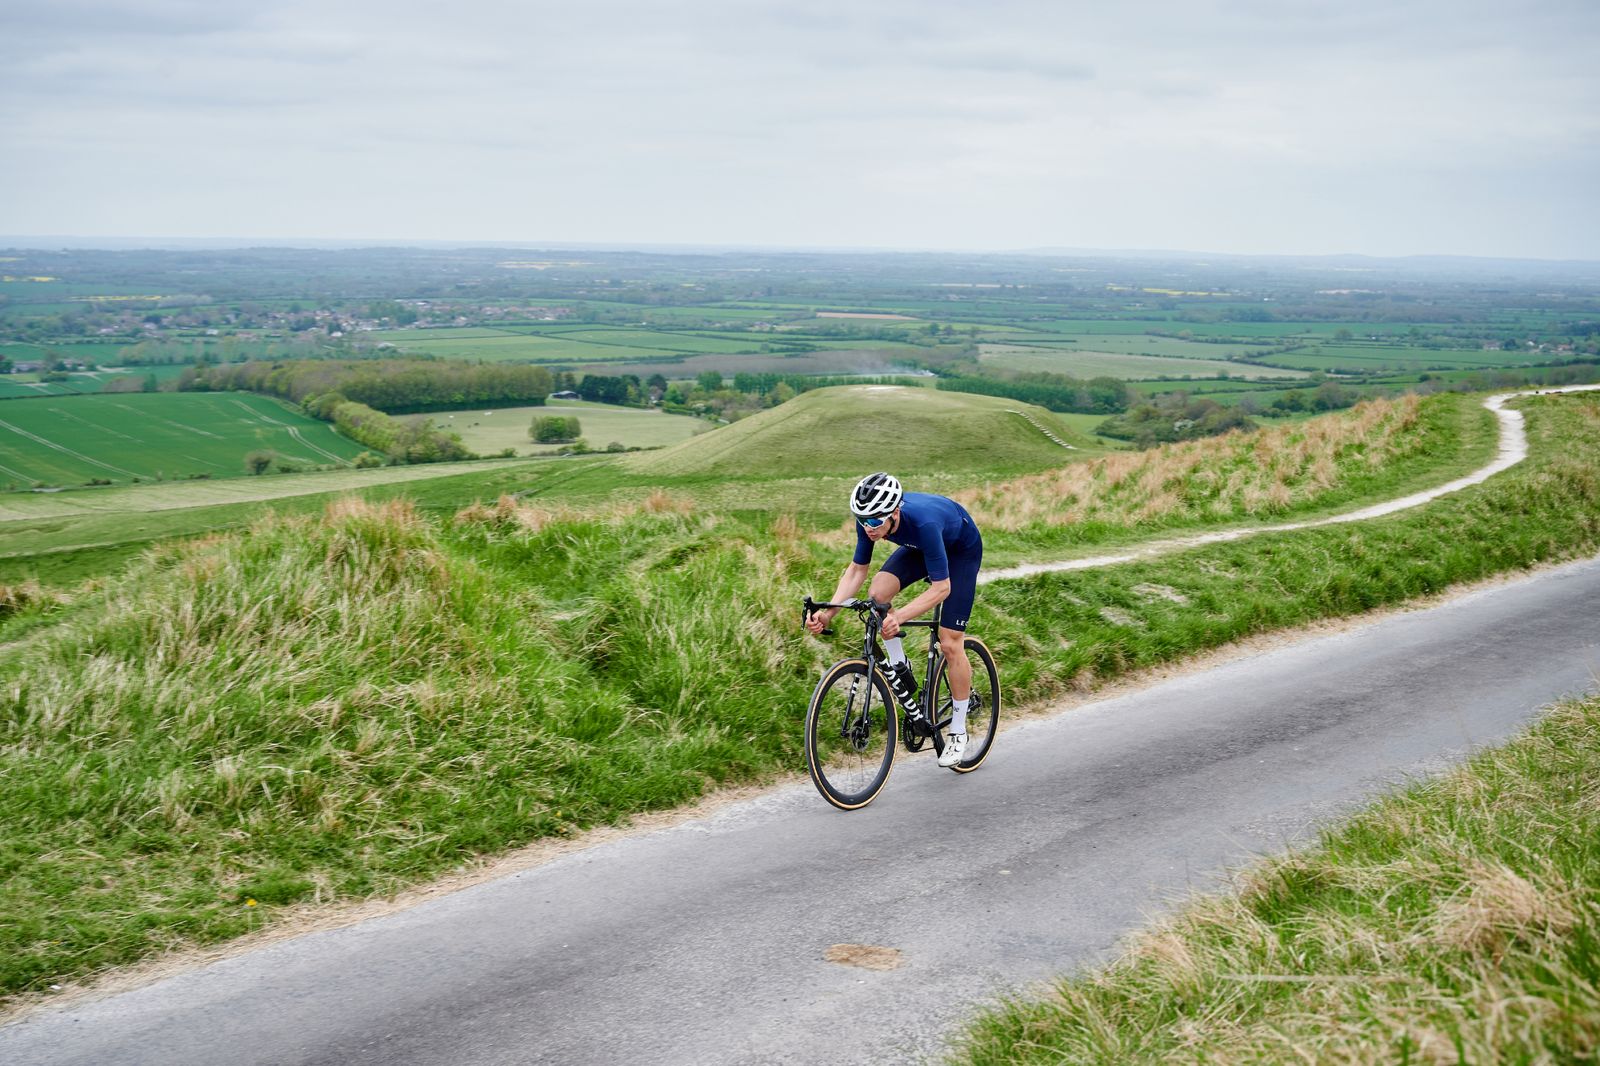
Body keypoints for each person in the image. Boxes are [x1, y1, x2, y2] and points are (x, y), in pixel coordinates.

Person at [805, 472, 983, 768]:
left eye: (874, 522)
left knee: (950, 642)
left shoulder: (923, 523)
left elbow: (942, 588)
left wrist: (899, 616)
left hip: (959, 551)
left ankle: (958, 730)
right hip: (921, 549)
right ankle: (901, 665)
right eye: (861, 520)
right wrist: (829, 612)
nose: (868, 527)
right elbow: (856, 571)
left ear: (894, 512)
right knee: (877, 596)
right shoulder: (871, 519)